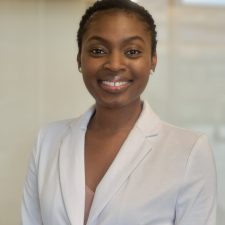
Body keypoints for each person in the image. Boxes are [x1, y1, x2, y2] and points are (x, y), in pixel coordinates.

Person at [21, 0, 217, 224]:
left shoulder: (189, 152)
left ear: (153, 60)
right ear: (79, 59)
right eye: (98, 50)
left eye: (132, 51)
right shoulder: (47, 140)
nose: (114, 64)